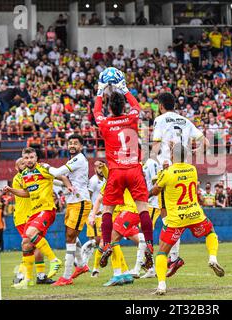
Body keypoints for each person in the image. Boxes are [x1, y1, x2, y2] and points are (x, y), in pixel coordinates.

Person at [93, 70, 154, 270]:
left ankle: (108, 244)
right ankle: (150, 247)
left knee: (108, 211)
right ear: (123, 107)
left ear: (110, 108)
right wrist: (125, 89)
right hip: (134, 169)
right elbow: (137, 107)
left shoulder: (105, 122)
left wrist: (100, 91)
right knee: (143, 209)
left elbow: (96, 113)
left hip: (116, 171)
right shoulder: (132, 118)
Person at [150, 143, 225, 295]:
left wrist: (147, 192)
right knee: (210, 231)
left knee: (162, 252)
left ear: (171, 155)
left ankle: (162, 285)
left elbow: (156, 190)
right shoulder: (193, 170)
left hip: (176, 218)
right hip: (195, 213)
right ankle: (212, 258)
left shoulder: (168, 172)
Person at [150, 92, 209, 277]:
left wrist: (152, 164)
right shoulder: (185, 120)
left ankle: (173, 257)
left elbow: (156, 146)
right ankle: (172, 258)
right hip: (185, 169)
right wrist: (192, 153)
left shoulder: (159, 120)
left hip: (167, 171)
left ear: (160, 105)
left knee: (167, 213)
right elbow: (205, 142)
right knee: (174, 212)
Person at [3, 147, 69, 289]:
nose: (28, 160)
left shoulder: (44, 168)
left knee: (30, 235)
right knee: (26, 243)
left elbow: (61, 176)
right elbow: (26, 193)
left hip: (46, 209)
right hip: (33, 212)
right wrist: (11, 190)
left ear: (36, 158)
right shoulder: (25, 174)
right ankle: (28, 278)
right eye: (26, 158)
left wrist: (69, 186)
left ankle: (54, 260)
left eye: (31, 157)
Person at [41, 134, 93, 287]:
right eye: (70, 143)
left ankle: (66, 276)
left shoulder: (79, 159)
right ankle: (82, 265)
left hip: (80, 201)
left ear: (81, 146)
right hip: (73, 201)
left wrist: (46, 168)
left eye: (75, 143)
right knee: (70, 236)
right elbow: (64, 182)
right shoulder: (72, 160)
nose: (72, 145)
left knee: (70, 237)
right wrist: (50, 179)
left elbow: (57, 172)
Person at [11, 158, 54, 285]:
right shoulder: (20, 177)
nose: (25, 165)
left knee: (36, 244)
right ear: (16, 167)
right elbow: (28, 191)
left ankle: (39, 276)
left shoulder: (33, 173)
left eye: (26, 163)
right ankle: (21, 274)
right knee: (29, 244)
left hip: (36, 214)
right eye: (21, 164)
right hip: (23, 216)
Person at [80, 160, 106, 277]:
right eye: (97, 168)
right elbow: (88, 196)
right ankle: (81, 260)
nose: (100, 170)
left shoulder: (105, 180)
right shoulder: (93, 181)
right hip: (94, 214)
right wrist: (91, 212)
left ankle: (84, 263)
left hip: (102, 214)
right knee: (97, 240)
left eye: (101, 167)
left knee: (98, 241)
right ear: (95, 169)